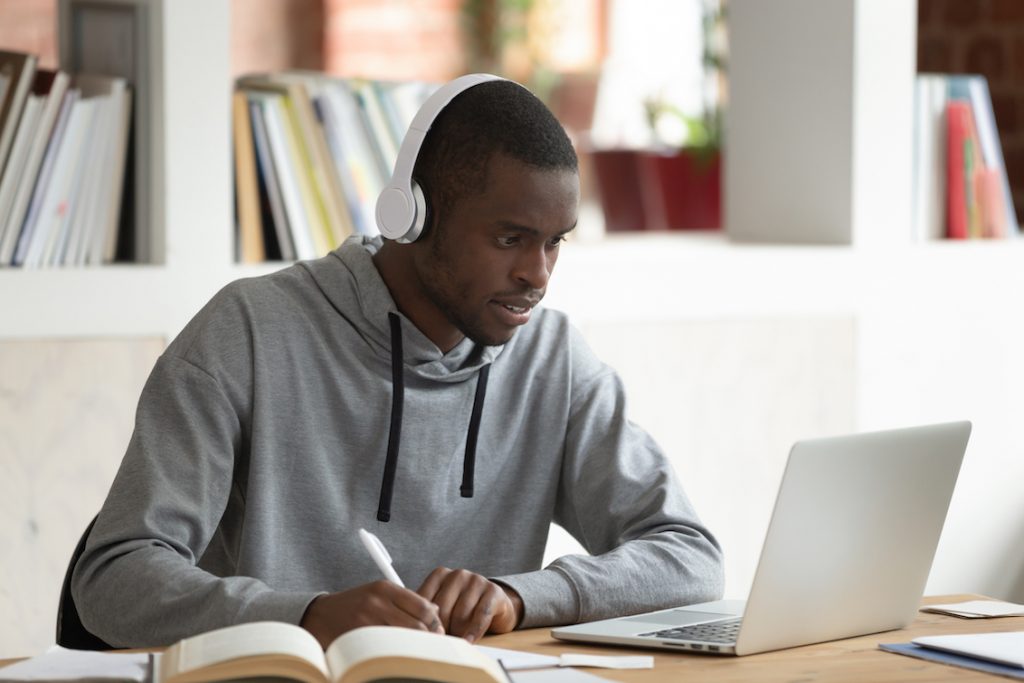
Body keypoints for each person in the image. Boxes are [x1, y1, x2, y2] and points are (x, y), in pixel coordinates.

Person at [72, 76, 724, 649]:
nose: (538, 274)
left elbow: (690, 556)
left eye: (555, 242)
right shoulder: (246, 332)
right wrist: (307, 616)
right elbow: (114, 575)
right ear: (413, 214)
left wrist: (518, 597)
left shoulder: (554, 361)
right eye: (510, 238)